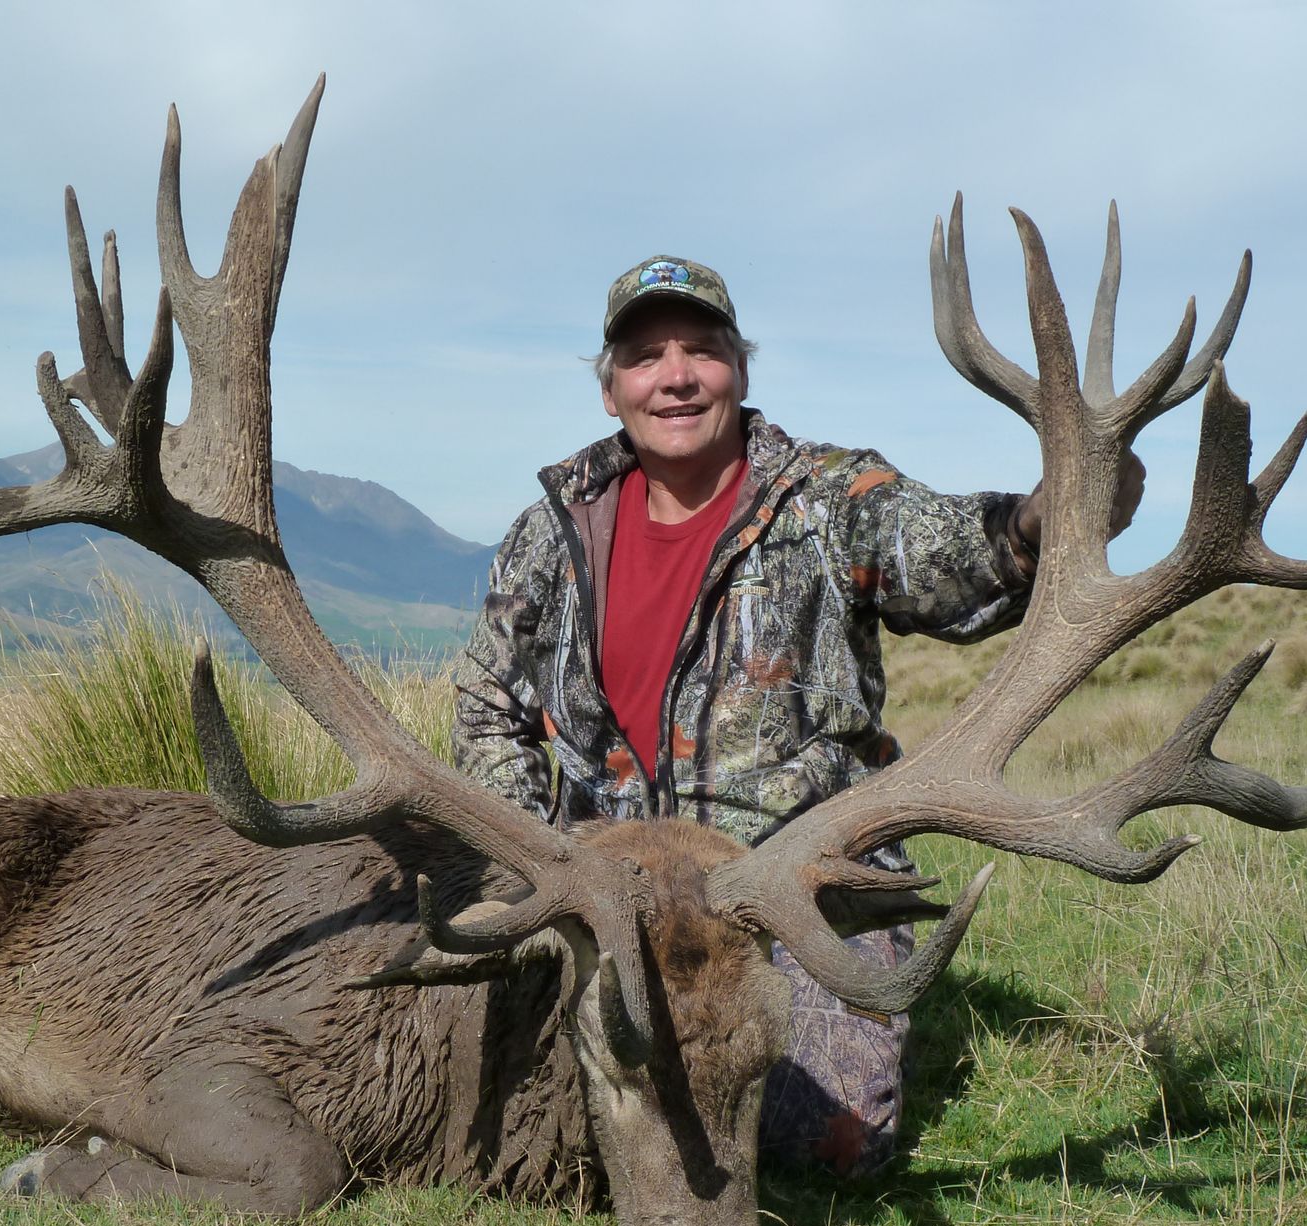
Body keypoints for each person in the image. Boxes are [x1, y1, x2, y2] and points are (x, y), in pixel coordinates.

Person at [452, 254, 1141, 1177]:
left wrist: (1038, 521)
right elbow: (491, 709)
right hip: (611, 903)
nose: (678, 375)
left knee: (831, 1142)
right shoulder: (551, 532)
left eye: (703, 349)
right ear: (612, 387)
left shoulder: (826, 499)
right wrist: (537, 871)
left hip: (791, 894)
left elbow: (941, 551)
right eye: (647, 355)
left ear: (740, 369)